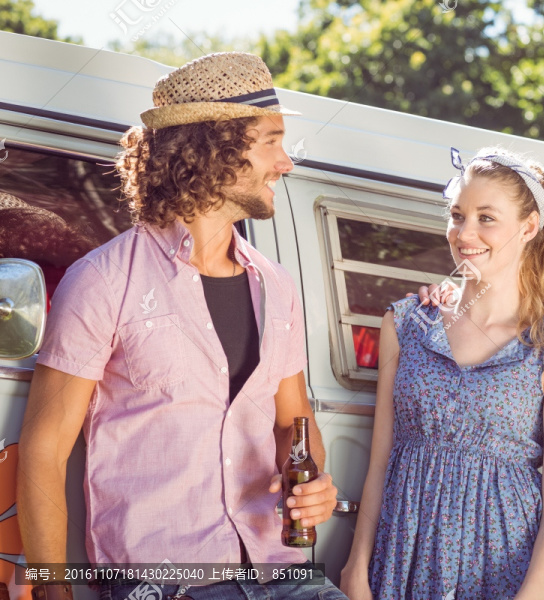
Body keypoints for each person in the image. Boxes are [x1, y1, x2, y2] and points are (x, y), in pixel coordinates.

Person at [17, 52, 345, 600]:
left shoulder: (277, 287)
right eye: (270, 141)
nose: (286, 163)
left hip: (282, 572)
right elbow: (44, 450)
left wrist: (314, 486)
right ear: (214, 148)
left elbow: (294, 423)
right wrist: (53, 587)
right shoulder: (103, 280)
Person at [339, 147, 544, 600]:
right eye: (457, 215)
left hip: (508, 575)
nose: (464, 232)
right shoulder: (407, 324)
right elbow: (379, 462)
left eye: (486, 218)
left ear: (530, 226)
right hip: (404, 563)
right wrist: (357, 565)